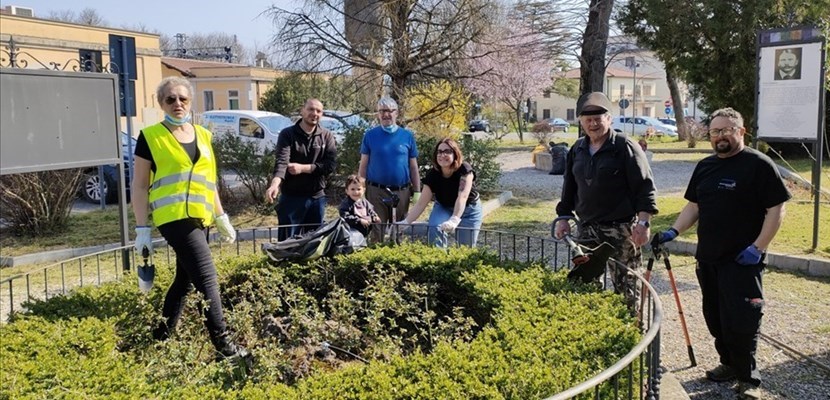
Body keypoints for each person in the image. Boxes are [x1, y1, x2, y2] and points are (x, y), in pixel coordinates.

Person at [654, 107, 790, 400]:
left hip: (742, 261)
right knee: (715, 317)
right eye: (715, 131)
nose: (720, 136)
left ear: (741, 132)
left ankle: (748, 379)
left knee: (742, 321)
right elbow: (694, 206)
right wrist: (674, 231)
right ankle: (728, 364)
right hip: (709, 259)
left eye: (727, 130)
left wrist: (758, 248)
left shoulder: (758, 165)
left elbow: (776, 208)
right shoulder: (705, 166)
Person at [131, 76, 251, 366]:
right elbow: (138, 185)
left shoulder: (203, 134)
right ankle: (224, 346)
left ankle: (160, 336)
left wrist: (221, 215)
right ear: (161, 103)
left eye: (183, 98)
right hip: (173, 218)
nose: (177, 104)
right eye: (170, 99)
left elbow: (208, 182)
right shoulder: (150, 137)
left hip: (200, 217)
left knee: (184, 281)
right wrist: (142, 229)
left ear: (190, 102)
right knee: (207, 277)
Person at [553, 92, 658, 315]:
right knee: (587, 282)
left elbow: (645, 187)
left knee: (627, 284)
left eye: (598, 119)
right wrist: (563, 217)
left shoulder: (624, 146)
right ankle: (595, 328)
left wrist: (644, 223)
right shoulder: (578, 149)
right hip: (587, 228)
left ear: (608, 119)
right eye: (588, 120)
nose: (593, 124)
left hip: (620, 229)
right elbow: (569, 187)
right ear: (581, 122)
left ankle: (632, 330)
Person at [265, 98, 337, 241]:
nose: (314, 113)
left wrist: (303, 168)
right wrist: (274, 185)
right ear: (302, 111)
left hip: (316, 198)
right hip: (291, 198)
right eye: (311, 109)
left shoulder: (327, 135)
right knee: (288, 244)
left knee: (314, 243)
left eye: (319, 111)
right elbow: (281, 162)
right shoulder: (287, 134)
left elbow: (330, 166)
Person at [399, 138, 482, 248]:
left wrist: (454, 219)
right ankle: (438, 260)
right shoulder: (433, 175)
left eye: (447, 151)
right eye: (439, 152)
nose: (442, 155)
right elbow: (421, 204)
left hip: (469, 209)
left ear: (455, 154)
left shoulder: (464, 170)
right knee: (435, 227)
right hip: (443, 206)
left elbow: (462, 196)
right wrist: (405, 222)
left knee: (465, 248)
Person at [358, 97, 421, 243]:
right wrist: (360, 189)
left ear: (396, 113)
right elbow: (363, 165)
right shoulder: (370, 136)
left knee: (398, 231)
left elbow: (413, 166)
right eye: (382, 111)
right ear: (378, 114)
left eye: (389, 111)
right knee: (376, 231)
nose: (386, 114)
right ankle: (375, 262)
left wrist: (417, 190)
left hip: (401, 191)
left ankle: (396, 262)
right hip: (376, 191)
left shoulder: (407, 136)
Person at [338, 174, 380, 246]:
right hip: (351, 232)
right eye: (352, 189)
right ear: (347, 191)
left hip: (365, 231)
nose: (356, 192)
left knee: (364, 244)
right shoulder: (346, 204)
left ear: (364, 190)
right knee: (354, 245)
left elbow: (371, 210)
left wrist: (374, 216)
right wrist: (359, 220)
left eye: (359, 189)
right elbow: (345, 216)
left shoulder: (365, 202)